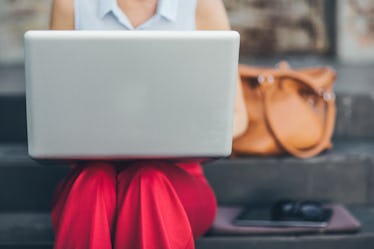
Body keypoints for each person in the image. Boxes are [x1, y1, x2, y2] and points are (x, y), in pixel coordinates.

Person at [49, 0, 248, 249]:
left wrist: (195, 132)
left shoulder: (200, 4)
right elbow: (53, 109)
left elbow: (238, 116)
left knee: (148, 181)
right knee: (94, 183)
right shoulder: (71, 5)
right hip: (91, 179)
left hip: (176, 179)